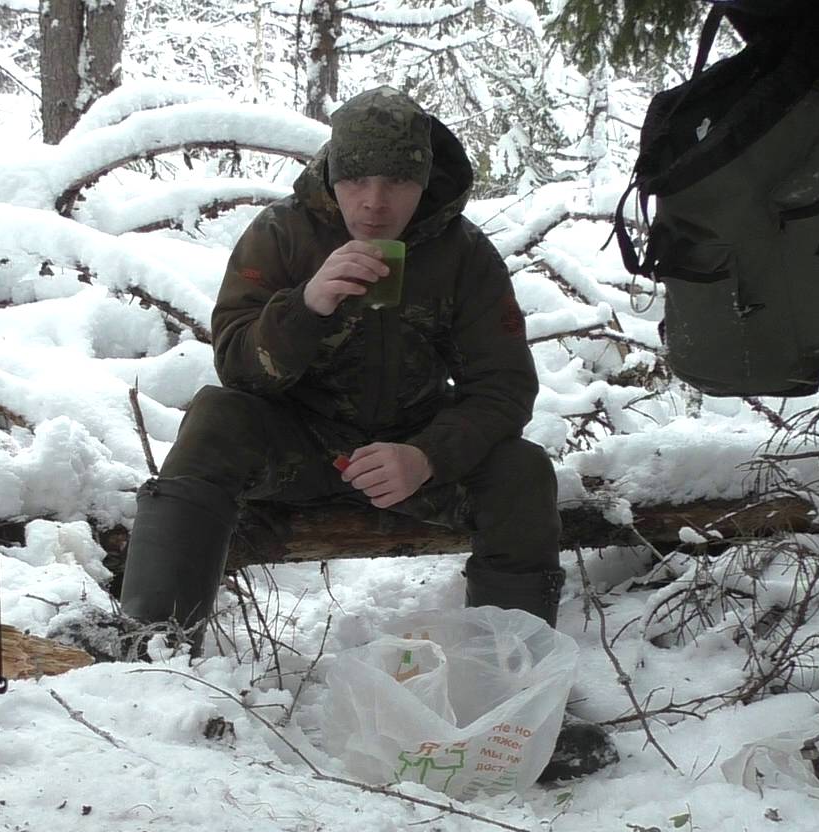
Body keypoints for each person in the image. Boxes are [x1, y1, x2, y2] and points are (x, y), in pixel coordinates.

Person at [116, 85, 616, 781]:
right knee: (214, 417)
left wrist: (427, 455)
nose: (374, 202)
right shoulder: (283, 236)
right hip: (302, 447)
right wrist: (309, 303)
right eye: (356, 180)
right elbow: (238, 367)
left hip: (413, 454)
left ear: (423, 180)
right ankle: (147, 663)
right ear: (331, 172)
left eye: (397, 182)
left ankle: (511, 704)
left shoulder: (463, 254)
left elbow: (504, 390)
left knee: (522, 472)